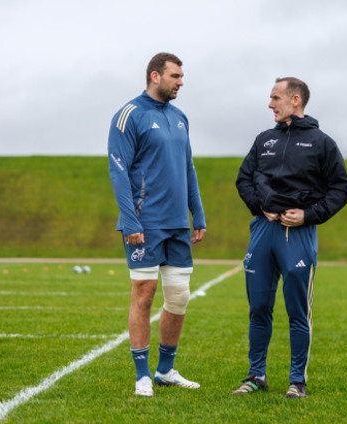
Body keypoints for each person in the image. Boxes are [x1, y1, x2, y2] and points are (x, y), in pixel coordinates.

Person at [233, 77, 347, 398]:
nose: (270, 104)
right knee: (258, 308)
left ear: (295, 100)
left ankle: (297, 380)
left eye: (275, 98)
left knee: (298, 312)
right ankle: (256, 375)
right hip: (263, 232)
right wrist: (261, 207)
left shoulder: (321, 143)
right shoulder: (263, 140)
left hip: (297, 236)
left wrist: (308, 215)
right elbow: (243, 179)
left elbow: (341, 190)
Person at [108, 52, 207, 398]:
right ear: (155, 76)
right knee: (144, 294)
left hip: (178, 224)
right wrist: (130, 219)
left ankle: (165, 370)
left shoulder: (180, 118)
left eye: (181, 77)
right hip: (144, 223)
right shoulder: (129, 115)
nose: (181, 82)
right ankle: (142, 375)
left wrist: (198, 212)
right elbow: (118, 169)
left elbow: (188, 166)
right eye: (175, 76)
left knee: (178, 297)